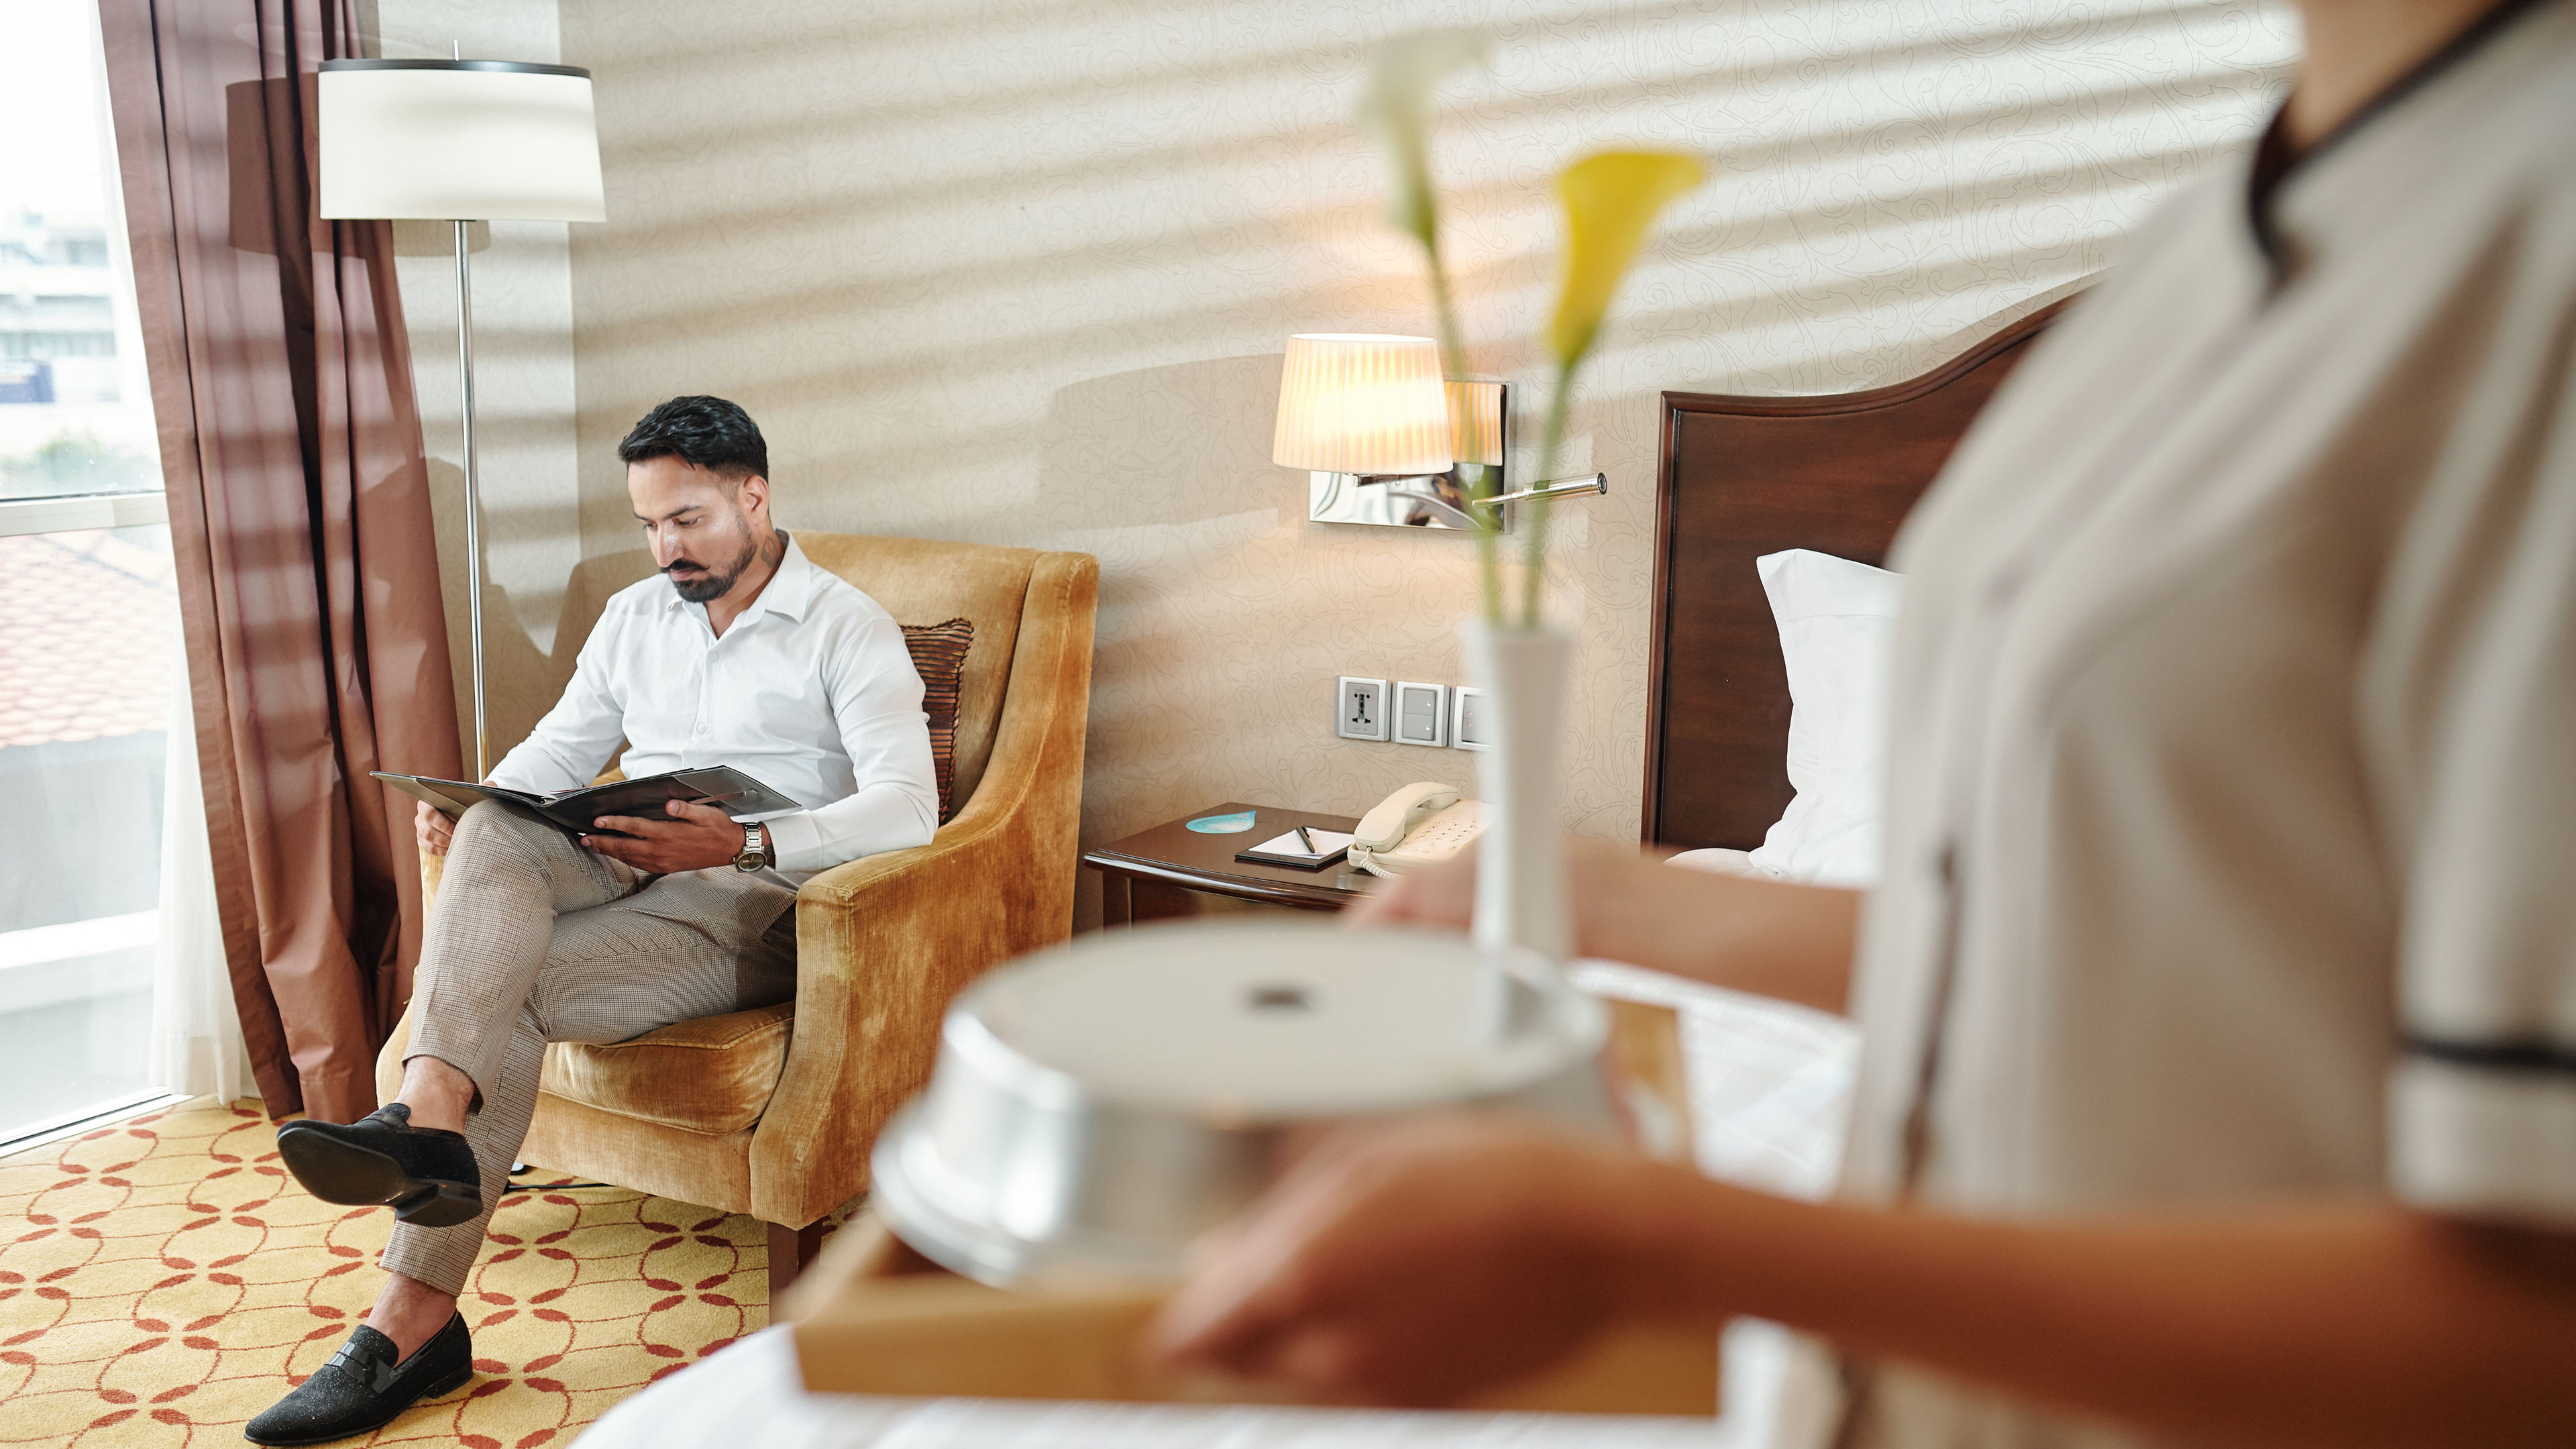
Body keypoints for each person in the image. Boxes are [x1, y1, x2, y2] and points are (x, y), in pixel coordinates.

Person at [1151, 2, 2576, 1445]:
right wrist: (1608, 898)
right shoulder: (2225, 237)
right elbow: (2173, 973)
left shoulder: (2533, 248)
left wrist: (1648, 1243)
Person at [246, 396, 939, 1445]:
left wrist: (744, 843)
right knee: (493, 826)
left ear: (755, 498)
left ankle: (407, 1326)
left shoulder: (847, 625)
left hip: (747, 899)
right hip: (618, 851)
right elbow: (558, 754)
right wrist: (471, 805)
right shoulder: (635, 615)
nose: (667, 549)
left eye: (689, 520)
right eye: (651, 525)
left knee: (504, 998)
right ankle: (428, 1117)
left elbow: (909, 809)